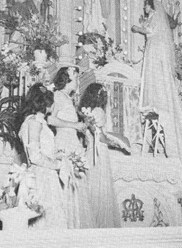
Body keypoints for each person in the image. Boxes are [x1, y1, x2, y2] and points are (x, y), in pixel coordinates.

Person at [131, 0, 182, 200]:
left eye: (145, 6)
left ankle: (157, 98)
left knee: (155, 75)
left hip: (155, 52)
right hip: (155, 51)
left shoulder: (155, 16)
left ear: (150, 5)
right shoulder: (156, 17)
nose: (144, 9)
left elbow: (151, 31)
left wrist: (138, 29)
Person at [47, 66, 92, 229]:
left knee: (77, 184)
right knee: (67, 181)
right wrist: (74, 125)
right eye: (76, 78)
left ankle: (75, 224)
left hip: (73, 141)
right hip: (64, 142)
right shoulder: (58, 95)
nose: (78, 82)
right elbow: (51, 120)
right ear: (67, 79)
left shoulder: (67, 97)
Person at [18, 83, 67, 229]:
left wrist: (58, 156)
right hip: (43, 176)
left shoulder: (35, 121)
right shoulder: (35, 122)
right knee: (46, 220)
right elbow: (34, 156)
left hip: (43, 173)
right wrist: (57, 165)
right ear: (45, 103)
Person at [79, 83, 127, 228]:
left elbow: (92, 135)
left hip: (89, 152)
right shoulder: (99, 111)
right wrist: (114, 142)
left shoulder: (86, 113)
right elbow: (100, 138)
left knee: (92, 189)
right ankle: (101, 225)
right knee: (101, 191)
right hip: (99, 153)